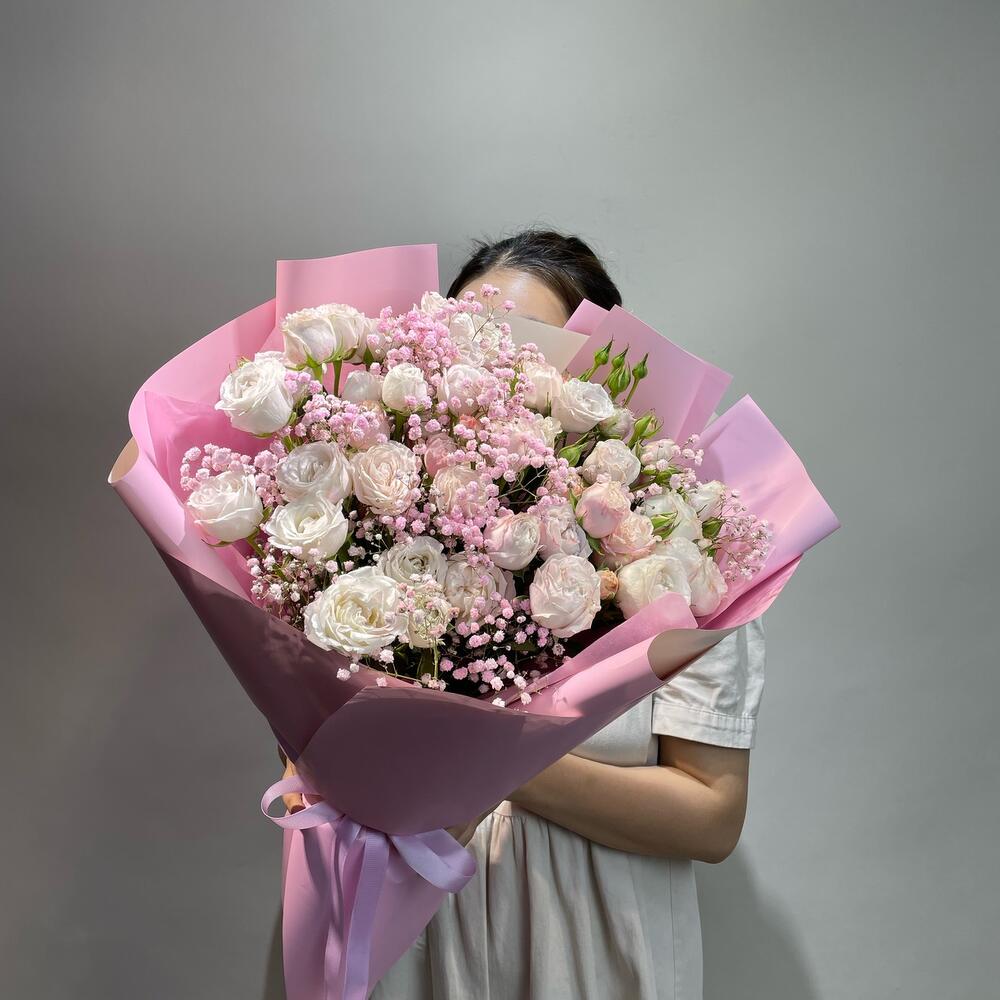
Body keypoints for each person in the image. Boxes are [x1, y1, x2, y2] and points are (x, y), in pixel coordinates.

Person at [280, 229, 767, 1000]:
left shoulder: (676, 556)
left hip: (590, 950)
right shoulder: (370, 527)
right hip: (409, 939)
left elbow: (710, 817)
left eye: (523, 340)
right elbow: (309, 771)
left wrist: (486, 753)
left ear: (592, 375)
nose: (490, 358)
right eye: (465, 330)